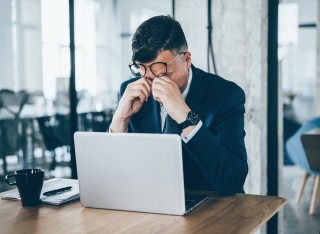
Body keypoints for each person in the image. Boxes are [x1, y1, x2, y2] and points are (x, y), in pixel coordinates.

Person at [109, 15, 248, 195]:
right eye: (147, 77)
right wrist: (120, 120)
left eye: (163, 76)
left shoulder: (226, 95)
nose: (154, 85)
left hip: (210, 209)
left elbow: (232, 180)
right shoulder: (131, 93)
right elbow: (113, 176)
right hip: (149, 205)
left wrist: (185, 117)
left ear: (187, 60)